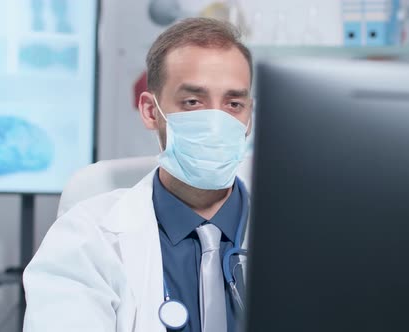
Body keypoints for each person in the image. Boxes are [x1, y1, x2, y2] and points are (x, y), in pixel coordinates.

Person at [23, 18, 254, 332]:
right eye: (192, 102)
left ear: (249, 117)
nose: (215, 121)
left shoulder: (304, 229)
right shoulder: (87, 240)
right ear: (150, 111)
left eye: (233, 103)